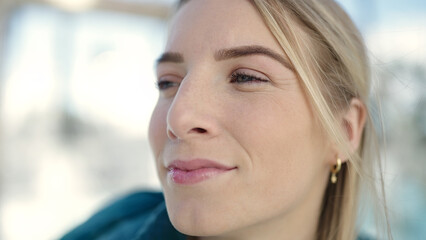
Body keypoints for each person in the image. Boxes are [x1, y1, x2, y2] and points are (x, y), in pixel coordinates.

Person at [61, 0, 391, 239]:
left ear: (344, 131)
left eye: (245, 77)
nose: (178, 116)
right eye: (168, 82)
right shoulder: (108, 228)